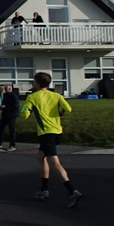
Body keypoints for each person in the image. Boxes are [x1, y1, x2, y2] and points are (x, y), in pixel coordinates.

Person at [20, 72, 81, 207]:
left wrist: (26, 111)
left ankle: (72, 191)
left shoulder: (32, 97)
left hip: (46, 133)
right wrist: (59, 114)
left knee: (55, 163)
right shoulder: (56, 95)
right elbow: (68, 109)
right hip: (57, 130)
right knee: (41, 157)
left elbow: (24, 115)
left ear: (37, 83)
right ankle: (44, 189)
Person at [0, 84, 20, 151]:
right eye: (5, 89)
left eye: (6, 89)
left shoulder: (13, 96)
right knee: (0, 127)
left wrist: (6, 107)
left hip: (11, 115)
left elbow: (15, 106)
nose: (5, 90)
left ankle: (12, 145)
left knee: (11, 130)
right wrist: (2, 107)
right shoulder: (6, 95)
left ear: (10, 89)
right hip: (5, 114)